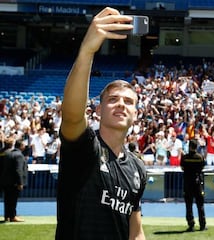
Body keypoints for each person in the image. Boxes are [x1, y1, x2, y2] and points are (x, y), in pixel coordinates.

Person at [55, 7, 147, 240]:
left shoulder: (137, 169)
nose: (121, 105)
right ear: (98, 110)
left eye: (128, 101)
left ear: (135, 114)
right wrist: (86, 51)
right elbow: (72, 116)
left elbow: (135, 230)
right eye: (113, 100)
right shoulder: (85, 148)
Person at [180, 139, 207, 232]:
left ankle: (191, 224)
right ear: (196, 147)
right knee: (200, 205)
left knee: (188, 205)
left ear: (189, 147)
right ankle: (202, 225)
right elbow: (202, 167)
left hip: (188, 183)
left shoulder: (184, 157)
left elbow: (182, 168)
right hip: (197, 183)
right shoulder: (200, 157)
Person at [1, 138, 28, 222]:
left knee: (7, 199)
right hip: (14, 182)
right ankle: (12, 216)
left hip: (5, 181)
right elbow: (18, 170)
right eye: (23, 145)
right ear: (21, 146)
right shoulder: (18, 155)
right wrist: (20, 183)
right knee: (13, 199)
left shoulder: (5, 154)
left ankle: (7, 216)